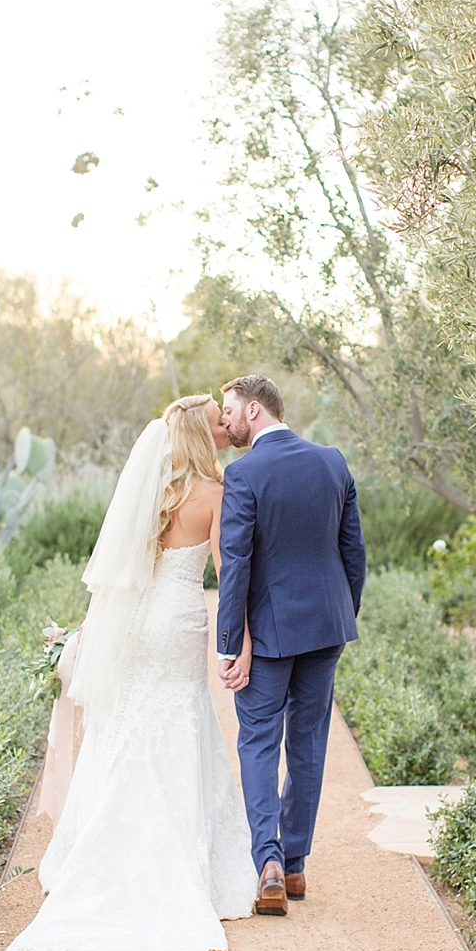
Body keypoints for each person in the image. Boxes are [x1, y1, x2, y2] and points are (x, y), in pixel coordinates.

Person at [1, 394, 255, 951]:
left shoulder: (153, 492)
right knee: (181, 716)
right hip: (181, 620)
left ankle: (96, 847)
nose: (223, 425)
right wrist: (238, 641)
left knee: (129, 720)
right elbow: (229, 571)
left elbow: (123, 573)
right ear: (200, 435)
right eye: (217, 420)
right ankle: (176, 861)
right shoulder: (217, 493)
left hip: (140, 621)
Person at [215, 374, 366, 916]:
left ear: (254, 410)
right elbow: (354, 555)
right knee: (307, 743)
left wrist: (231, 643)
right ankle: (296, 864)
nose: (224, 420)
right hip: (327, 627)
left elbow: (236, 567)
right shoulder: (333, 462)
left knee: (257, 741)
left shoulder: (244, 473)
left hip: (272, 636)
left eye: (230, 410)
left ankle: (269, 864)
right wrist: (340, 614)